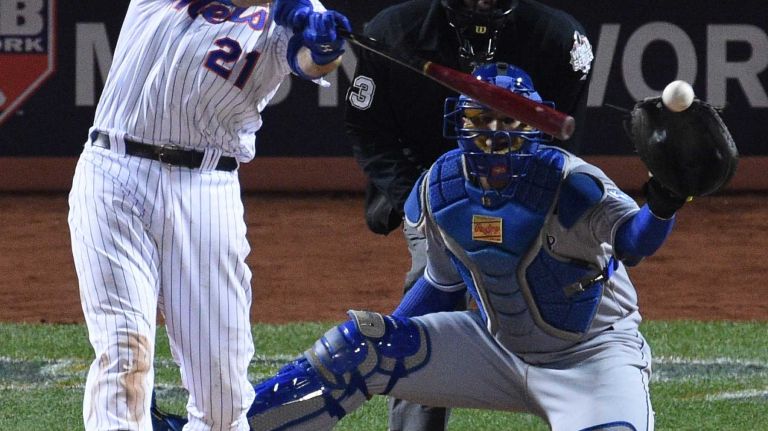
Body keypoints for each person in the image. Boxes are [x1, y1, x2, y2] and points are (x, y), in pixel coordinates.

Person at [242, 62, 692, 430]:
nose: (495, 134)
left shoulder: (573, 185)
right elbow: (440, 286)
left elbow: (634, 243)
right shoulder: (441, 189)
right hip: (497, 351)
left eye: (509, 121)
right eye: (482, 119)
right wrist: (388, 348)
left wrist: (664, 202)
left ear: (534, 124)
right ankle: (226, 426)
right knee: (359, 347)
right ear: (460, 123)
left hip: (591, 358)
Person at [67, 0, 351, 429]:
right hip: (114, 170)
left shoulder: (301, 8)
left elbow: (308, 63)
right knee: (124, 354)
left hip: (207, 186)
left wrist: (324, 47)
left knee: (223, 395)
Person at [344, 0, 593, 428]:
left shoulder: (560, 41)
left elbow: (554, 142)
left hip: (525, 187)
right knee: (428, 316)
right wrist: (418, 197)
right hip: (426, 183)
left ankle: (593, 408)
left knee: (562, 304)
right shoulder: (392, 32)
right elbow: (370, 132)